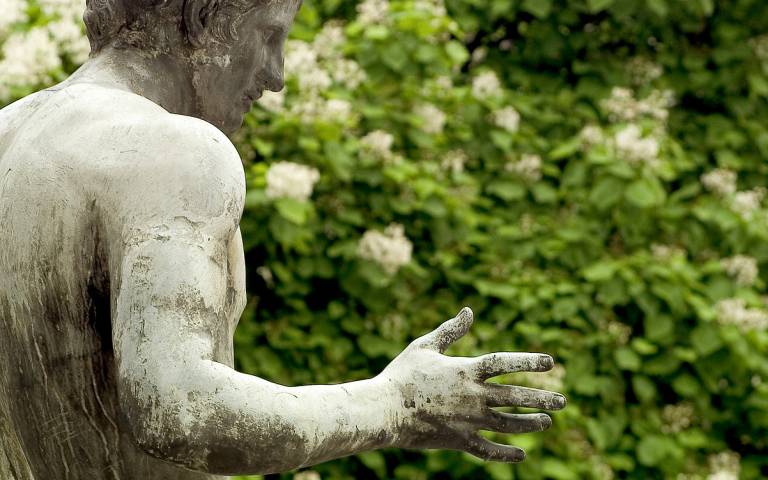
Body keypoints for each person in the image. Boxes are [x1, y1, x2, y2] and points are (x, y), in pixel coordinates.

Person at [0, 1, 565, 478]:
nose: (277, 74)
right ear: (202, 17)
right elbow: (176, 406)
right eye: (269, 35)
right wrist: (397, 403)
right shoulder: (172, 150)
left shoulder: (11, 134)